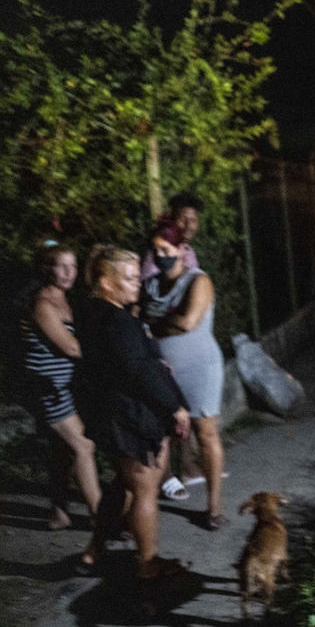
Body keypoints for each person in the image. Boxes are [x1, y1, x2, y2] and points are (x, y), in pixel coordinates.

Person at [76, 245, 190, 578]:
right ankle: (148, 568)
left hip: (109, 412)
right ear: (106, 282)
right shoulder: (118, 321)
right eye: (127, 278)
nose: (136, 284)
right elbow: (139, 370)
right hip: (129, 416)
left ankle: (94, 551)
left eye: (136, 276)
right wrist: (175, 408)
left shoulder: (93, 313)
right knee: (144, 489)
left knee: (122, 485)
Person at [141, 219, 228, 530]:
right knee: (159, 436)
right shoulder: (151, 285)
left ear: (181, 249)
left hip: (200, 368)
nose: (160, 255)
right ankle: (143, 504)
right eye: (155, 250)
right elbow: (142, 319)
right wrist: (159, 323)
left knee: (206, 434)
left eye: (166, 249)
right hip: (164, 372)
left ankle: (214, 508)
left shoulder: (198, 281)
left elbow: (187, 322)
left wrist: (154, 325)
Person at [18, 243, 101, 529]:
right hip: (48, 388)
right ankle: (100, 518)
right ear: (46, 269)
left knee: (64, 451)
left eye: (73, 266)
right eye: (61, 266)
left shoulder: (67, 299)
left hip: (66, 386)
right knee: (83, 445)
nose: (69, 272)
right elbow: (72, 348)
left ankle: (59, 512)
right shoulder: (43, 304)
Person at [139, 192, 204, 500]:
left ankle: (188, 469)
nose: (189, 224)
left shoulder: (189, 254)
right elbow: (151, 303)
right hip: (158, 345)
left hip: (182, 346)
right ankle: (165, 479)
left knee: (181, 411)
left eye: (194, 219)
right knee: (167, 413)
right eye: (184, 218)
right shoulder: (157, 254)